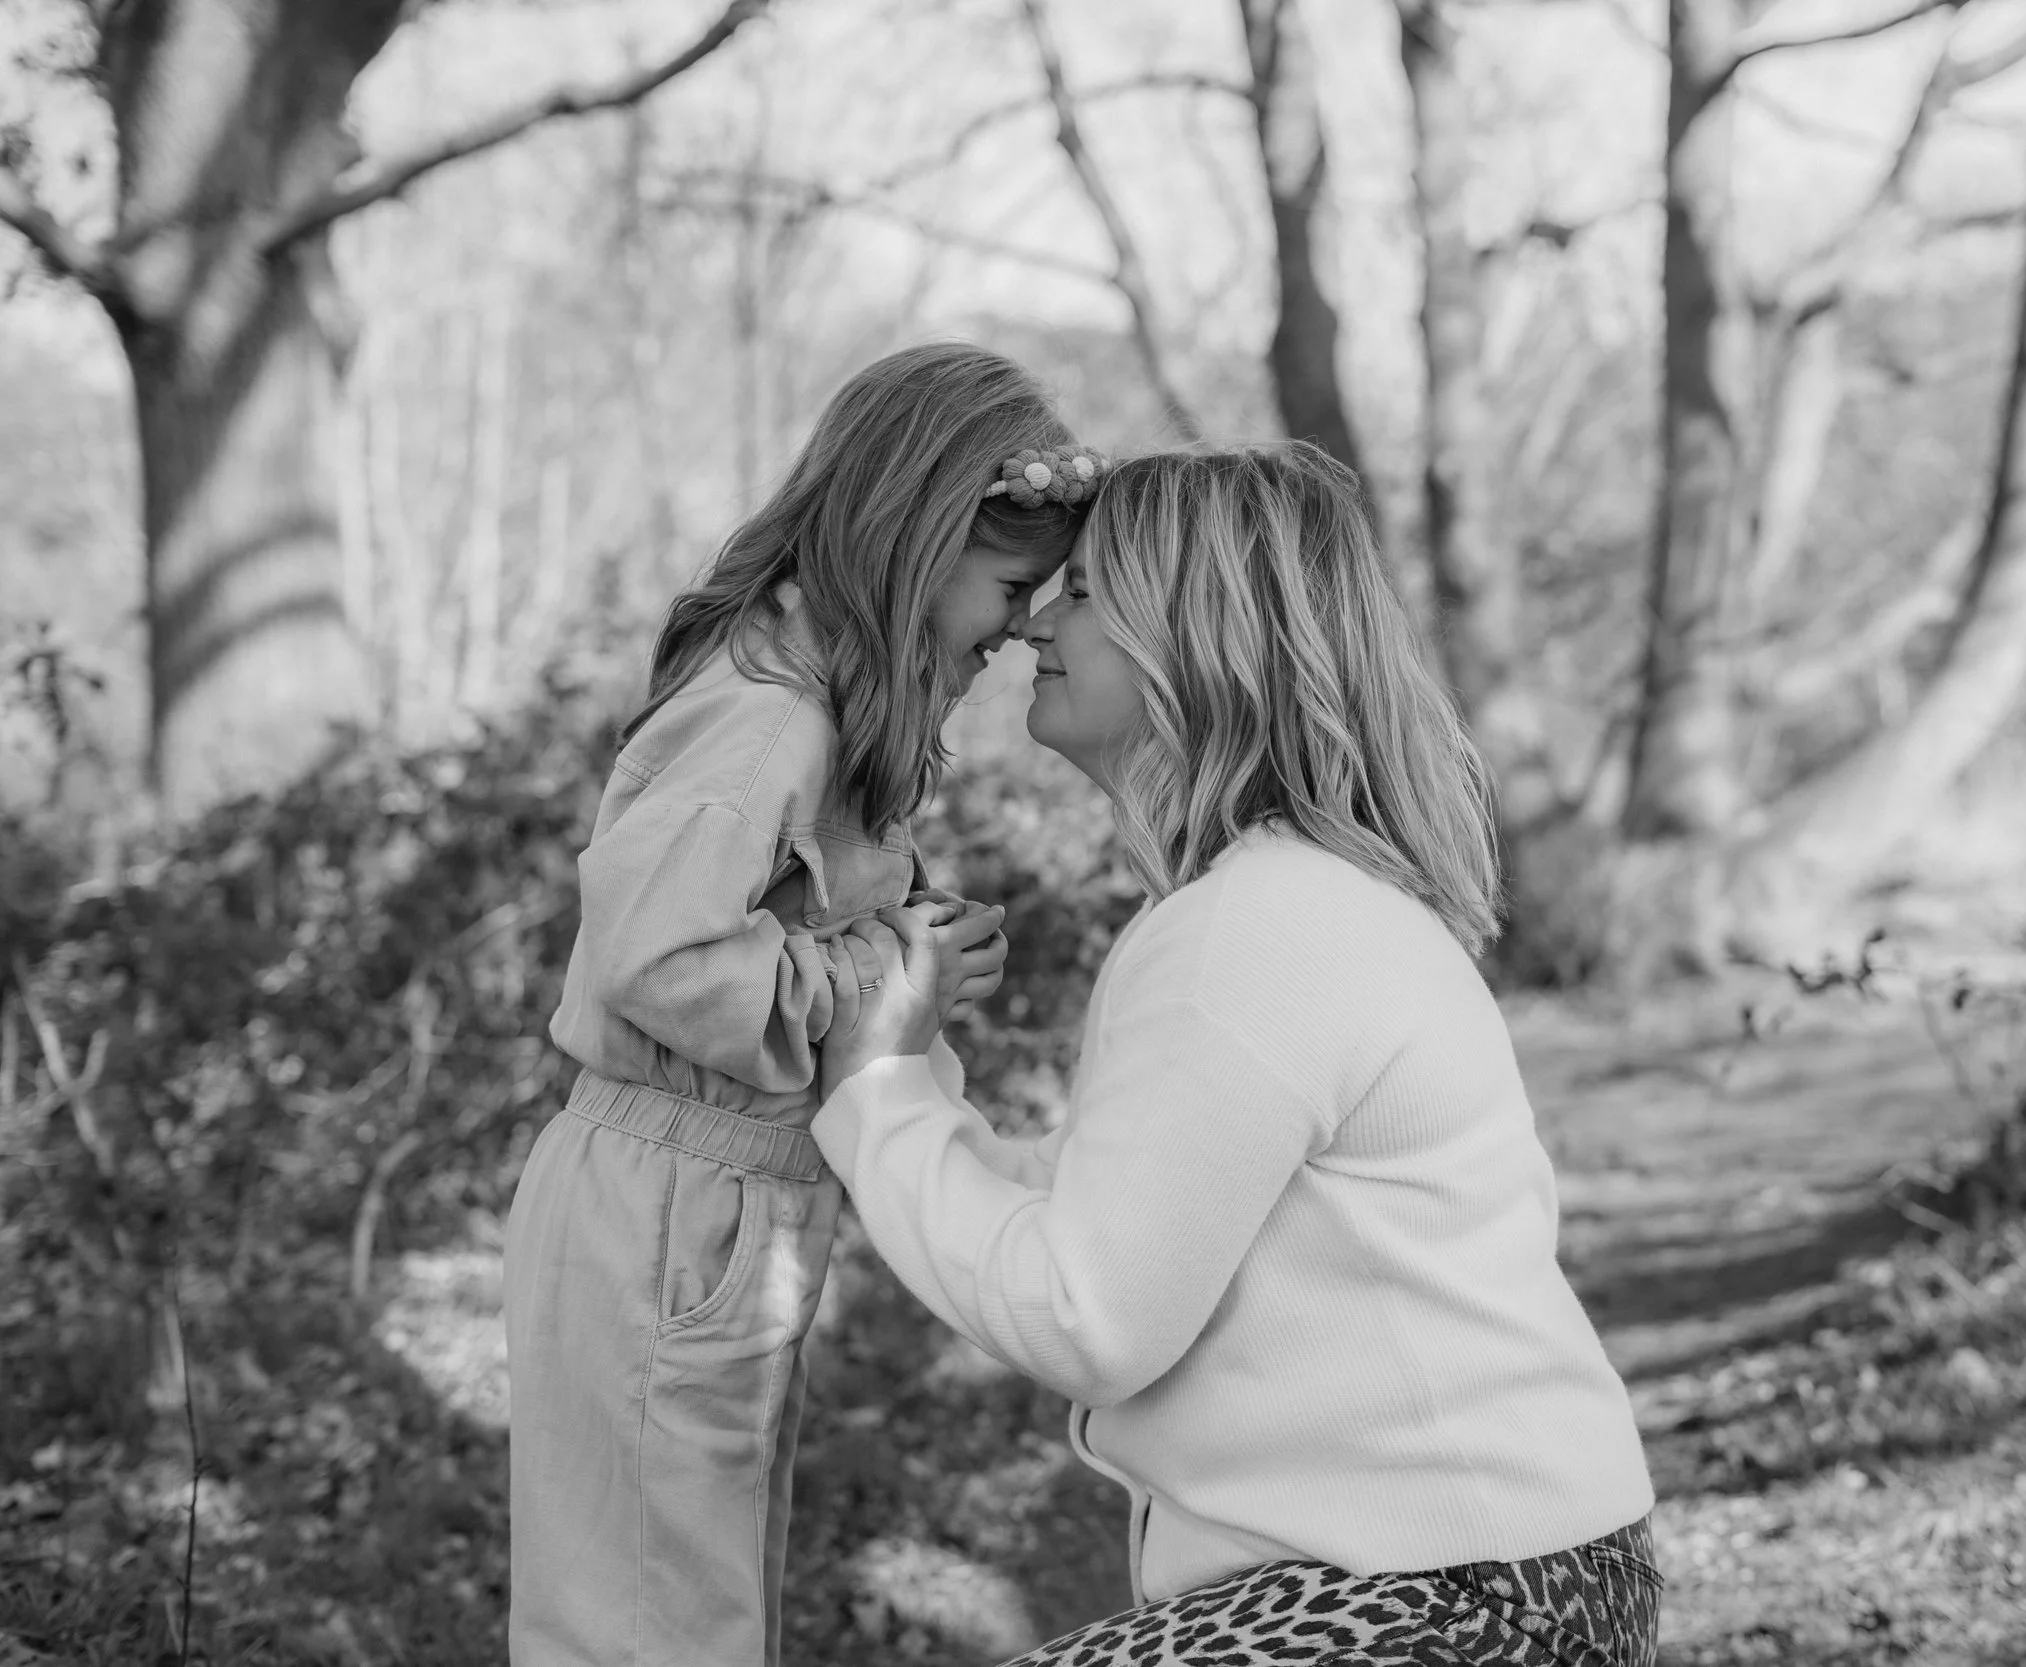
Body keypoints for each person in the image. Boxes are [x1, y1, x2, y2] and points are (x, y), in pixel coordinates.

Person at [816, 443, 1662, 1666]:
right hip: (1506, 1573)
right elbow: (1088, 1209)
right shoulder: (1278, 903)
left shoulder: (1254, 926)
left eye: (1091, 587)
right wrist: (907, 1063)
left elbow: (1082, 1314)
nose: (1038, 617)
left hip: (1462, 1599)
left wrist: (872, 1084)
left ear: (1196, 639)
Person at [501, 342, 1105, 1667]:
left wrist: (900, 943)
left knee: (686, 1591)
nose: (1015, 628)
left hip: (713, 1200)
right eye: (1007, 586)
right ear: (919, 537)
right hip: (663, 1202)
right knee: (644, 1618)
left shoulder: (813, 705)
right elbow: (655, 963)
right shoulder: (766, 718)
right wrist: (884, 979)